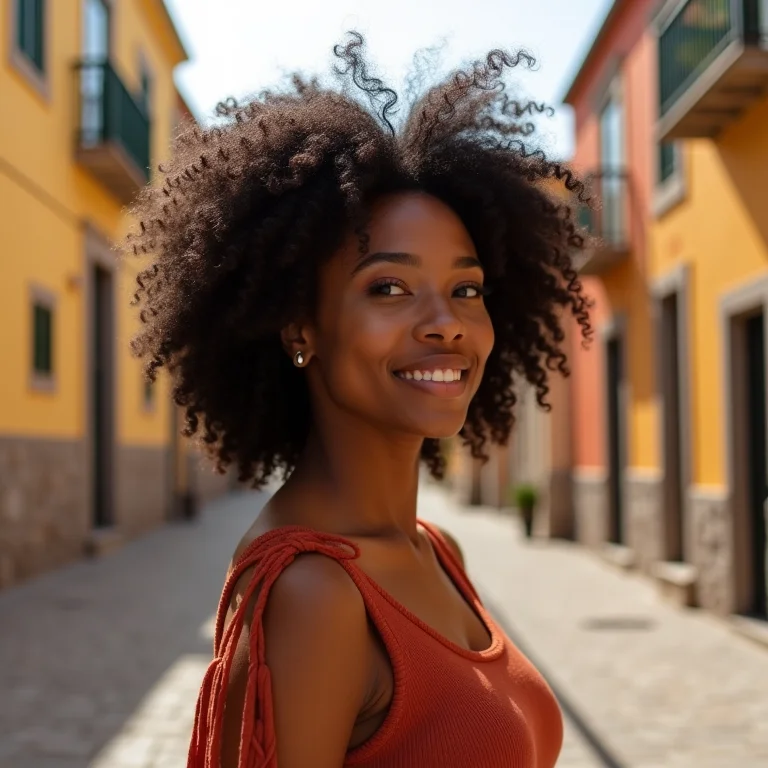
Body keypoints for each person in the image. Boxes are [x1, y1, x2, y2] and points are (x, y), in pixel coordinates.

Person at [125, 32, 591, 768]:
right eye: (389, 288)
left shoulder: (438, 551)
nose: (447, 322)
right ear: (300, 327)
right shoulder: (314, 596)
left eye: (466, 289)